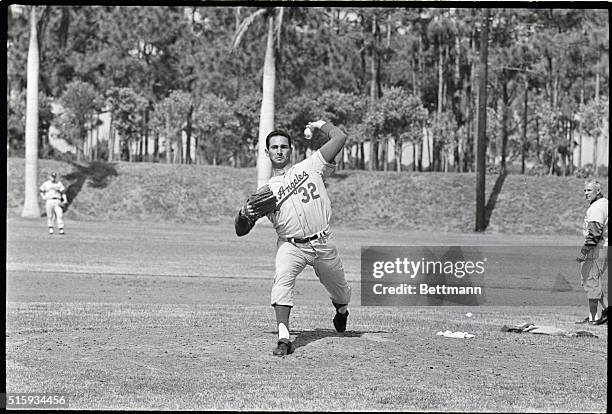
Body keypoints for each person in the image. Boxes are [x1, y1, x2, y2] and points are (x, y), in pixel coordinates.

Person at [235, 120, 352, 356]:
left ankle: (341, 311)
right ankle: (284, 337)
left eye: (284, 146)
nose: (279, 151)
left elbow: (339, 138)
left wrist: (320, 124)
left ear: (292, 150)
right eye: (274, 147)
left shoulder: (311, 166)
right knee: (282, 279)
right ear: (267, 152)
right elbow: (240, 230)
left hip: (322, 242)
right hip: (291, 245)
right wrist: (243, 215)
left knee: (341, 293)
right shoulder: (265, 193)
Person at [575, 179, 608, 325]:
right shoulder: (604, 203)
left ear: (598, 191)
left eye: (589, 190)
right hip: (603, 248)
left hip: (598, 248)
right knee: (592, 281)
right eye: (585, 190)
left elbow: (594, 234)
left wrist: (583, 253)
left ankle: (593, 317)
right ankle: (607, 310)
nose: (586, 193)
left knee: (591, 281)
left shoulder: (596, 208)